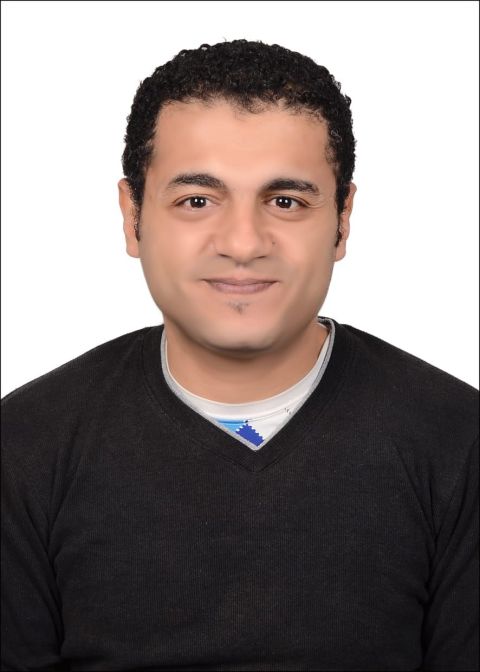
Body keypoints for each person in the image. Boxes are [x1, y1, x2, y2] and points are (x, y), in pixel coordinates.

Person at [1, 39, 478, 672]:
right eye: (197, 201)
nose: (244, 243)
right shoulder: (23, 446)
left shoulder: (459, 442)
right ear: (132, 215)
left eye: (286, 202)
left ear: (342, 220)